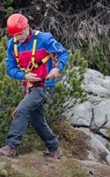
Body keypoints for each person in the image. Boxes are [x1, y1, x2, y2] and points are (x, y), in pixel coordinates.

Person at [0, 13, 69, 158]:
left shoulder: (44, 39)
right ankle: (54, 148)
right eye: (15, 36)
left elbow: (63, 53)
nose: (19, 38)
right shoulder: (12, 45)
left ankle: (11, 146)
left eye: (21, 34)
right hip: (29, 86)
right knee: (37, 121)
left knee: (22, 109)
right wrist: (24, 76)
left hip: (45, 85)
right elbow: (10, 69)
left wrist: (57, 68)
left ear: (27, 27)